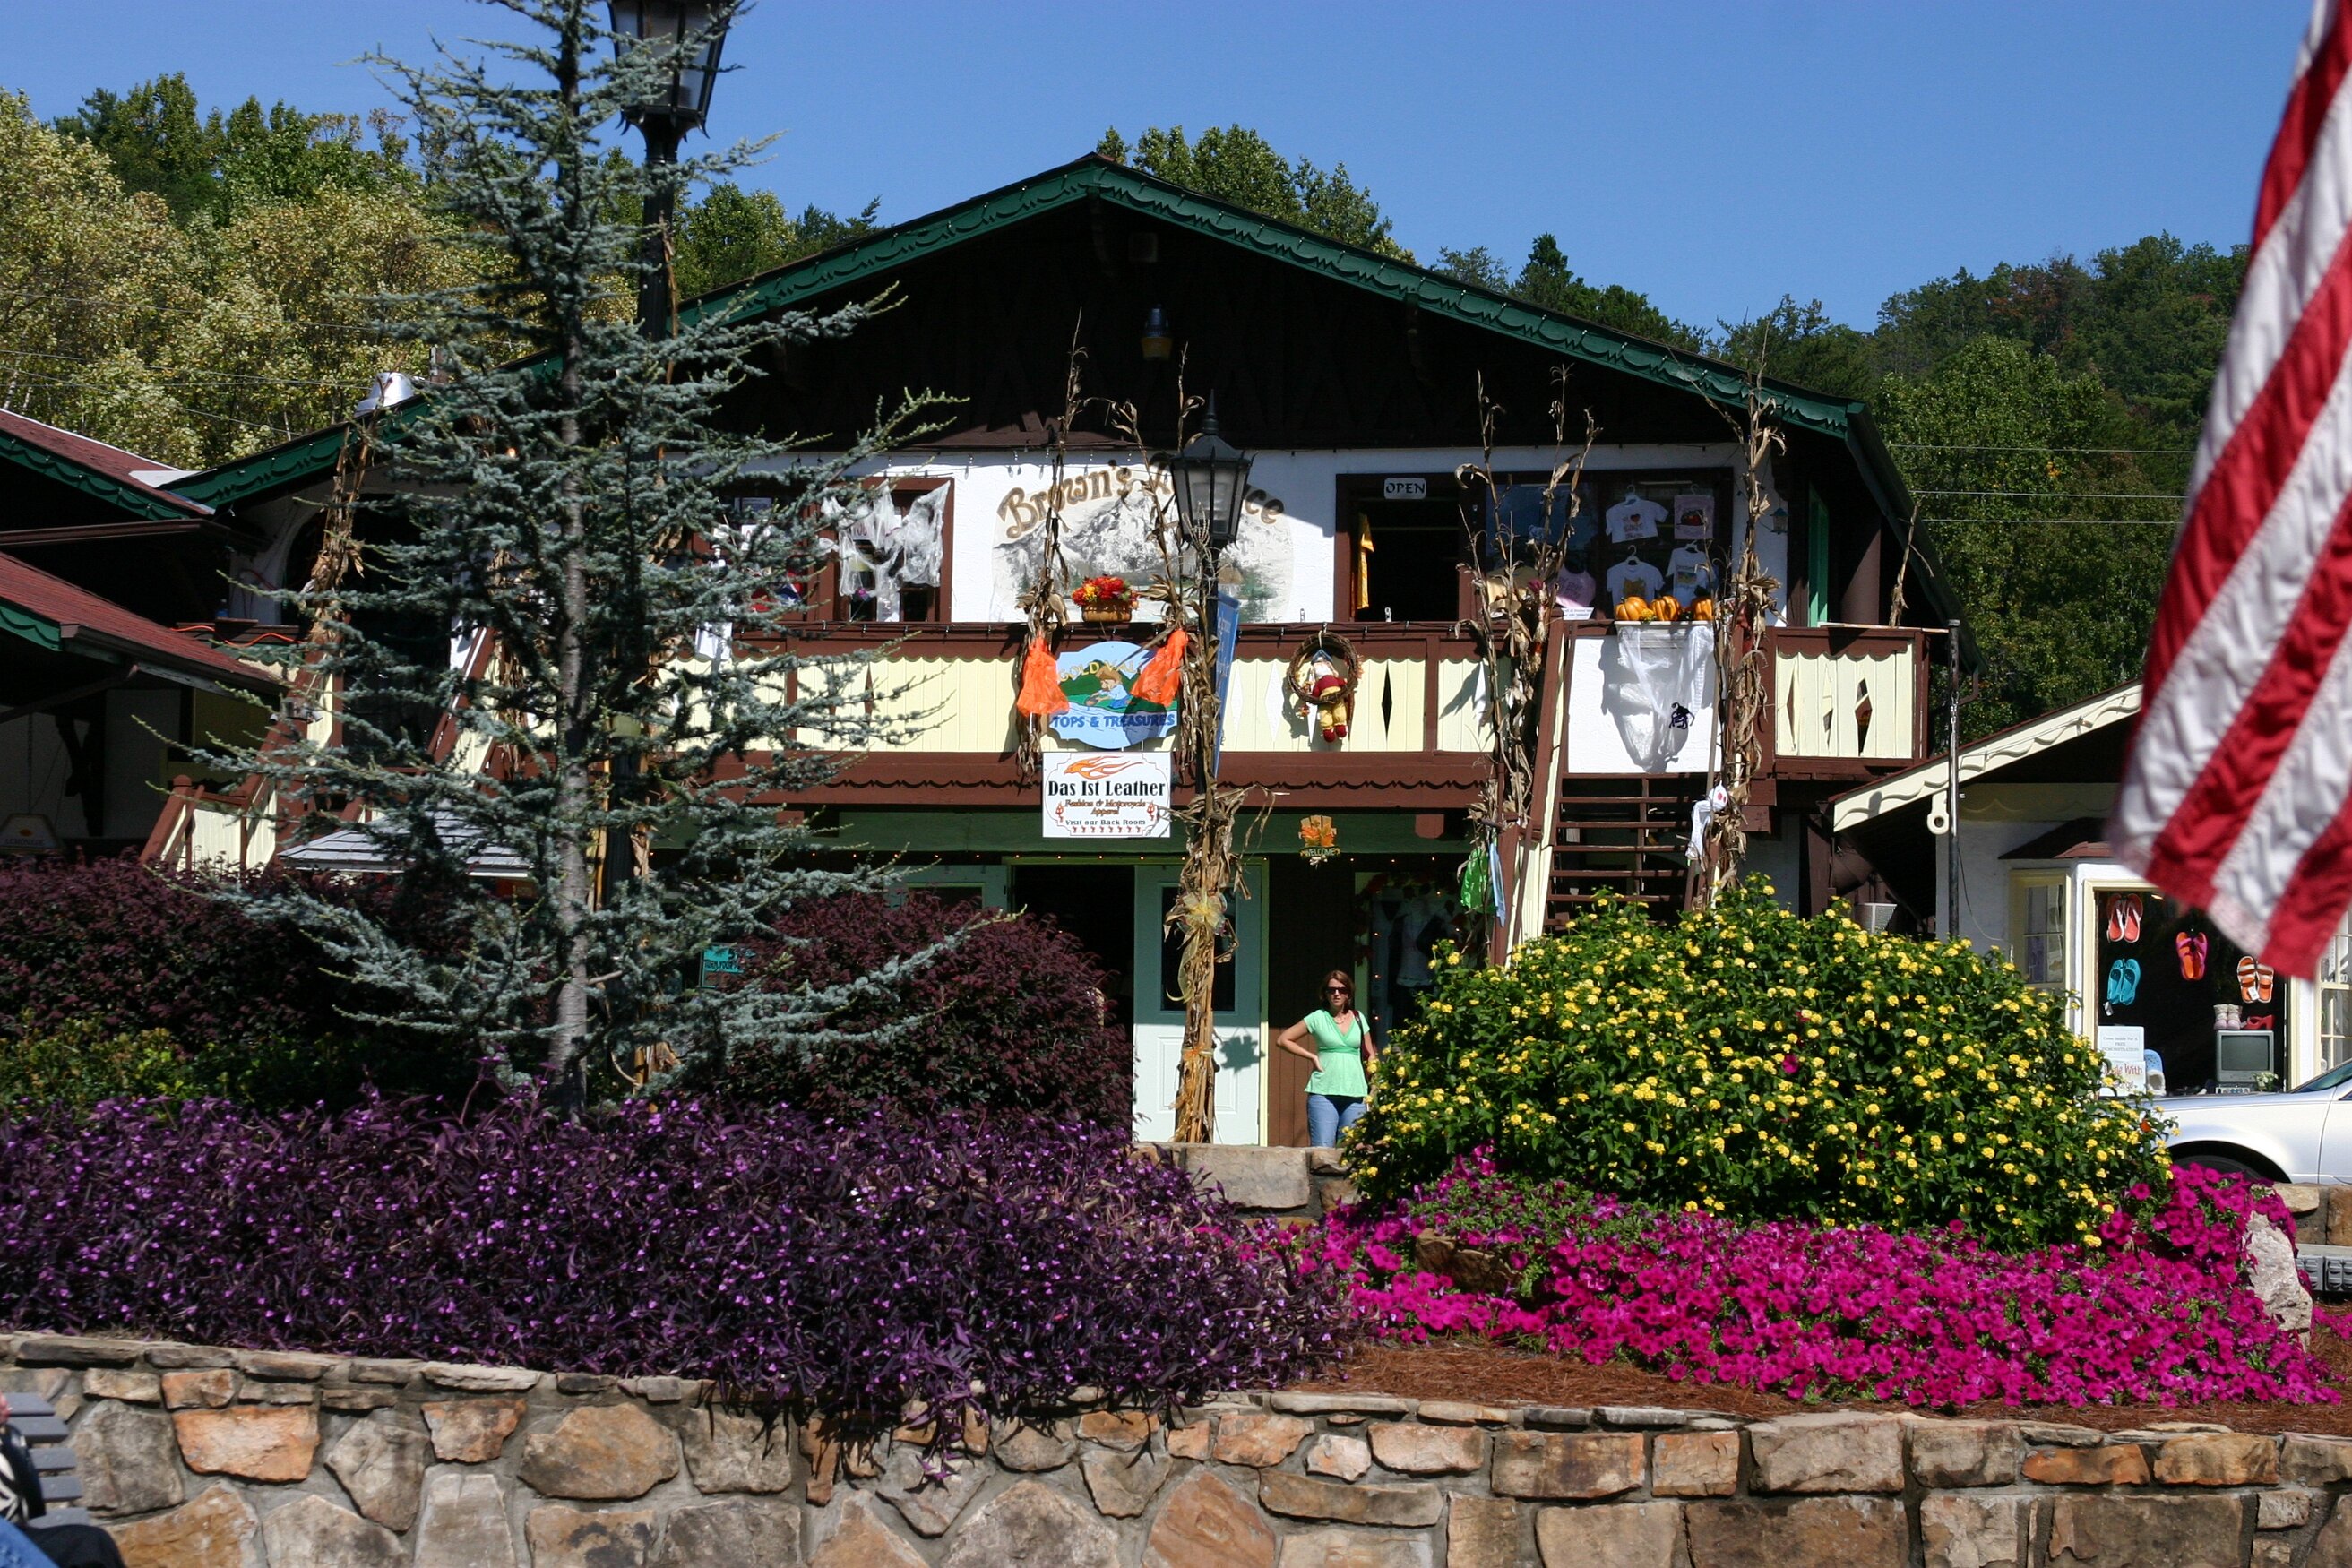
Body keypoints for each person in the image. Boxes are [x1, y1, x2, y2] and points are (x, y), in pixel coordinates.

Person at [1279, 969, 1377, 1147]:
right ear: (1325, 994)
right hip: (1323, 1093)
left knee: (1350, 1148)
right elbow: (1283, 1039)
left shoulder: (1358, 1018)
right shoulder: (1317, 1017)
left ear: (1348, 994)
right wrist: (1312, 1057)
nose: (1337, 994)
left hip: (1355, 1093)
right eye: (1332, 990)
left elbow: (1370, 1054)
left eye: (1342, 990)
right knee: (1322, 1148)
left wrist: (1375, 1081)